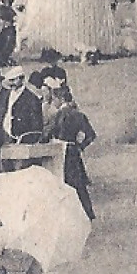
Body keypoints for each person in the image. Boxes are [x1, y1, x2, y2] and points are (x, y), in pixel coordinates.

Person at [41, 75, 97, 219]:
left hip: (61, 152)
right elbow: (91, 135)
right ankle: (87, 212)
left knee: (63, 184)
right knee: (78, 184)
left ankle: (69, 214)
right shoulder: (79, 115)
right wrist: (80, 145)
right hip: (73, 151)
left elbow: (46, 134)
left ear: (60, 99)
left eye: (55, 100)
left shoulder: (59, 115)